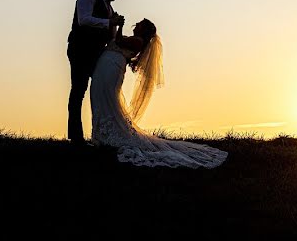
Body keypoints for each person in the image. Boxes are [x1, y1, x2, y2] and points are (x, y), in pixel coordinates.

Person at [89, 18, 227, 168]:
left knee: (107, 99)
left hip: (111, 68)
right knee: (101, 98)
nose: (137, 24)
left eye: (140, 23)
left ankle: (110, 135)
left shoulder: (138, 41)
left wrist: (119, 25)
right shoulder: (136, 39)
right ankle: (104, 135)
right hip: (108, 66)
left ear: (144, 29)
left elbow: (119, 41)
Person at [67, 0, 126, 145]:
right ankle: (76, 137)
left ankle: (106, 133)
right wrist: (109, 22)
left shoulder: (110, 10)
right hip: (80, 49)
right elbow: (83, 19)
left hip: (99, 54)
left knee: (103, 90)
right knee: (79, 89)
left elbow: (111, 36)